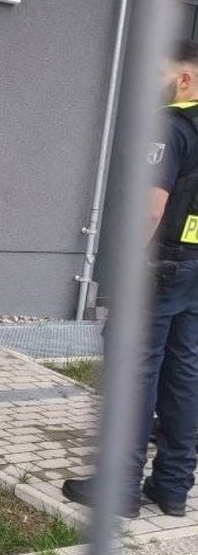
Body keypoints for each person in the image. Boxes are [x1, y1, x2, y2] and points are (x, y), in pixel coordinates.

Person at [63, 40, 198, 518]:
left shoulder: (169, 127)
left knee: (134, 373)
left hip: (158, 269)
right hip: (194, 272)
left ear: (185, 79)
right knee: (185, 376)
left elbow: (151, 208)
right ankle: (173, 488)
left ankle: (120, 486)